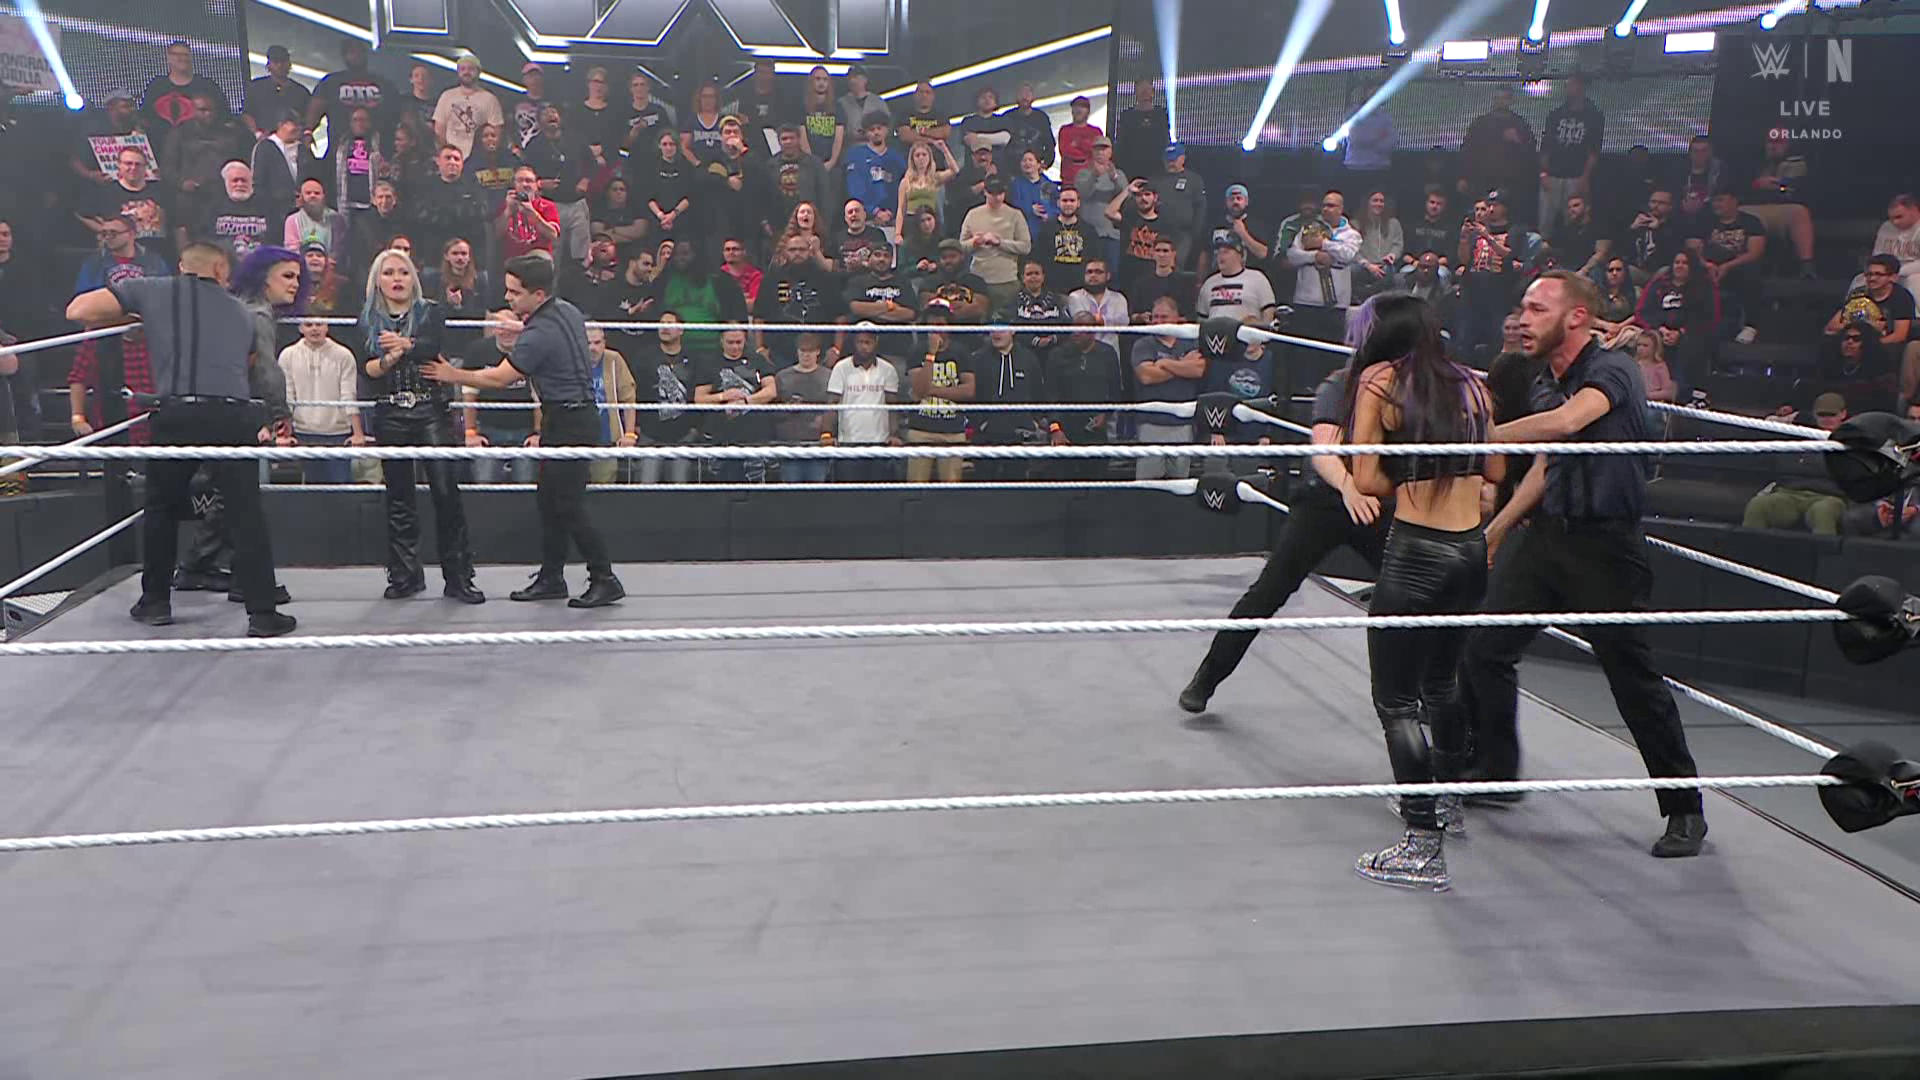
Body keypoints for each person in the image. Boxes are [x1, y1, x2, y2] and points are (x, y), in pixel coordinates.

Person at [1473, 270, 1708, 859]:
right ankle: (1497, 772)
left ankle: (1684, 808)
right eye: (1523, 308)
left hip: (1604, 546)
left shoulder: (1614, 369)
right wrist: (1497, 530)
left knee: (1632, 679)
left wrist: (1481, 435)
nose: (1523, 319)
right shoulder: (1544, 382)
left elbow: (1569, 422)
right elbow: (1548, 461)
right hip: (1546, 536)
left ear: (1576, 316)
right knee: (1483, 648)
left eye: (1537, 308)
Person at [1342, 293, 1501, 891]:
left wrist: (1412, 471)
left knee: (1396, 702)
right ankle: (1448, 805)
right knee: (1442, 683)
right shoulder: (1473, 384)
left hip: (1417, 553)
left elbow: (1365, 476)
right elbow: (1492, 470)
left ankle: (1422, 843)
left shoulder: (1382, 381)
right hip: (1470, 551)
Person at [65, 242, 294, 636]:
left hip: (179, 413)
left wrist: (138, 316)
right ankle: (262, 613)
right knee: (246, 514)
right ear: (220, 269)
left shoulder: (153, 289)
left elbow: (78, 310)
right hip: (233, 414)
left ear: (181, 266)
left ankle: (155, 601)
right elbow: (253, 365)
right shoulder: (242, 311)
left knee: (161, 508)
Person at [1179, 307, 1392, 714]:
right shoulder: (1340, 384)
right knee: (1269, 590)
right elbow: (1324, 449)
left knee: (1411, 594)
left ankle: (1419, 695)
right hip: (1326, 501)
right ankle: (1206, 678)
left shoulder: (1409, 389)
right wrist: (1349, 487)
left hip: (1376, 502)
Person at [425, 254, 625, 607]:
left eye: (516, 292)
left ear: (538, 294)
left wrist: (453, 375)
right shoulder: (567, 311)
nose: (509, 298)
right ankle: (552, 577)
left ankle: (604, 577)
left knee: (567, 503)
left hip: (569, 420)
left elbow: (500, 378)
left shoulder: (539, 333)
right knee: (549, 500)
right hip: (568, 416)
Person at [354, 248, 483, 604]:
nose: (397, 279)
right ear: (377, 280)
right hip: (390, 409)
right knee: (399, 497)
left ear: (414, 277)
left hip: (430, 409)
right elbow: (368, 369)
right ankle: (404, 575)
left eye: (403, 272)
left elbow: (432, 346)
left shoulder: (430, 311)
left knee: (446, 492)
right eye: (388, 273)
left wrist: (406, 345)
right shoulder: (367, 319)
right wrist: (390, 358)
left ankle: (458, 577)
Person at [279, 318, 365, 484]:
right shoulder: (287, 355)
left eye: (319, 324)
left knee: (340, 491)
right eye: (309, 325)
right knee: (309, 492)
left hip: (338, 434)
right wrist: (285, 434)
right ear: (300, 327)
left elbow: (349, 395)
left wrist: (358, 433)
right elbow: (288, 397)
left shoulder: (344, 355)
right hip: (302, 434)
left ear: (327, 326)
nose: (314, 329)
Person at [1130, 295, 1206, 480]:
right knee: (1148, 483)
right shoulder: (1143, 344)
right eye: (1155, 317)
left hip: (1183, 423)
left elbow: (1198, 370)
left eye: (1163, 317)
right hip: (1152, 422)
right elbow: (1147, 376)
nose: (1158, 321)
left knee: (1180, 481)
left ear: (1177, 318)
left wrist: (1164, 363)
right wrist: (1182, 365)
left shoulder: (1191, 342)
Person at [460, 309, 537, 485]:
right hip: (488, 430)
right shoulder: (478, 351)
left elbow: (539, 398)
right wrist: (470, 433)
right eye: (501, 326)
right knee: (484, 482)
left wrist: (538, 433)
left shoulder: (532, 351)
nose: (506, 331)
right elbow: (469, 395)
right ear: (493, 328)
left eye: (510, 326)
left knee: (526, 484)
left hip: (524, 431)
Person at [693, 327, 780, 483]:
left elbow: (771, 391)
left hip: (754, 436)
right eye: (730, 342)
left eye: (739, 342)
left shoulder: (757, 360)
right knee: (720, 484)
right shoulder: (710, 363)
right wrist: (722, 396)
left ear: (745, 340)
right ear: (721, 341)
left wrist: (746, 401)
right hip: (721, 436)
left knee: (755, 483)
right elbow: (699, 399)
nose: (735, 347)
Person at [826, 326, 903, 483]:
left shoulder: (887, 369)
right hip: (849, 442)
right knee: (850, 490)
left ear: (876, 342)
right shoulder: (841, 368)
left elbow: (892, 406)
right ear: (854, 343)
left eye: (868, 342)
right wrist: (826, 434)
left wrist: (894, 435)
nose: (864, 346)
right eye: (860, 342)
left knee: (877, 490)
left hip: (880, 442)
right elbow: (832, 403)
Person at [631, 312, 700, 485]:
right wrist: (636, 425)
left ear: (681, 330)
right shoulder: (645, 357)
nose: (664, 328)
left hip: (683, 435)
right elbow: (634, 392)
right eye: (662, 323)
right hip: (650, 435)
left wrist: (695, 428)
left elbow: (699, 393)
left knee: (680, 486)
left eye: (669, 323)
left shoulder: (694, 359)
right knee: (646, 485)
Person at [904, 315, 974, 482]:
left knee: (951, 487)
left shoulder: (961, 352)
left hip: (952, 430)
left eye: (940, 324)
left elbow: (969, 391)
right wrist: (931, 354)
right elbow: (920, 390)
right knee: (915, 487)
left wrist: (933, 390)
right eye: (931, 325)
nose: (935, 329)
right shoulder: (916, 351)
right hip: (921, 429)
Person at [1538, 73, 1603, 235]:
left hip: (1576, 176)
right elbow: (1546, 147)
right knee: (1546, 218)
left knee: (1573, 217)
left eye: (1572, 85)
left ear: (1581, 87)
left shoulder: (1593, 116)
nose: (1569, 89)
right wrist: (1543, 173)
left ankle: (1570, 246)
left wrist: (1585, 177)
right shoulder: (1556, 114)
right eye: (1567, 85)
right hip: (1553, 175)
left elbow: (1594, 150)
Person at [961, 177, 1032, 316]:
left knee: (1005, 320)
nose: (997, 197)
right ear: (985, 192)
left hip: (1006, 281)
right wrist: (974, 242)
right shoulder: (973, 214)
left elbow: (1025, 247)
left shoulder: (1015, 215)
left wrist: (1000, 243)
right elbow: (961, 246)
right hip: (978, 280)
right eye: (993, 193)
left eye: (1000, 193)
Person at [773, 333, 834, 483]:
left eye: (810, 351)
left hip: (818, 445)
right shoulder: (782, 377)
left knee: (816, 489)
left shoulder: (829, 376)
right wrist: (787, 408)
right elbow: (772, 412)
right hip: (790, 445)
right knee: (791, 490)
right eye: (803, 351)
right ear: (797, 351)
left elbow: (834, 407)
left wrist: (826, 424)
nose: (806, 355)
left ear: (818, 351)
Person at [142, 41, 231, 133]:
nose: (182, 58)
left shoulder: (207, 86)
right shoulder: (157, 86)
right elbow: (145, 116)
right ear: (168, 58)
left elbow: (224, 115)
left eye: (186, 55)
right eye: (176, 54)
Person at [433, 56, 505, 159]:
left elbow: (496, 132)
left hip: (480, 158)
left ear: (478, 72)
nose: (466, 72)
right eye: (462, 69)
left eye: (471, 69)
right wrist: (445, 154)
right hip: (452, 157)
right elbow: (439, 130)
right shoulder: (446, 96)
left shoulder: (490, 99)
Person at [1196, 235, 1276, 325]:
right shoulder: (1209, 283)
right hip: (1215, 332)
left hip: (1245, 332)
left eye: (1225, 252)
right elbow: (1201, 319)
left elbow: (1269, 314)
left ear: (1240, 255)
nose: (1220, 256)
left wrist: (1257, 325)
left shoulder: (1257, 278)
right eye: (1218, 252)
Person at [498, 164, 562, 261]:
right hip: (513, 260)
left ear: (536, 185)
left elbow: (553, 235)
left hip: (539, 259)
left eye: (529, 181)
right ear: (514, 184)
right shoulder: (506, 205)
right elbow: (496, 235)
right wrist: (508, 211)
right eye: (520, 181)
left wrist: (533, 214)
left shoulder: (548, 206)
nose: (524, 184)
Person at [245, 45, 311, 136]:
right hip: (261, 138)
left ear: (289, 64)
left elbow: (308, 119)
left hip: (293, 140)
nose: (280, 65)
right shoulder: (255, 87)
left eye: (283, 61)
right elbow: (247, 113)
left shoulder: (301, 92)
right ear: (269, 64)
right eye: (276, 62)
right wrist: (257, 133)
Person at [1057, 96, 1102, 186]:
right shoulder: (1065, 130)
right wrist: (1087, 147)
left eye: (1082, 107)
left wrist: (1078, 143)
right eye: (1076, 107)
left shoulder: (1096, 132)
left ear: (1088, 111)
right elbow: (1065, 151)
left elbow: (1097, 152)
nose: (1079, 110)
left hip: (1090, 179)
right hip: (1069, 179)